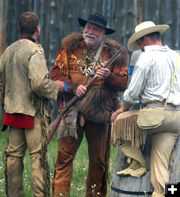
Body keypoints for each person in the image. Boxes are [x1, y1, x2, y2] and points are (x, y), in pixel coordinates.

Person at [50, 13, 129, 197]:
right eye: (88, 27)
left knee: (99, 162)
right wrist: (74, 87)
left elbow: (123, 83)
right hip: (71, 112)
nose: (90, 31)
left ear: (103, 33)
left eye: (95, 28)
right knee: (63, 160)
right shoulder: (68, 48)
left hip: (100, 114)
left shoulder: (114, 53)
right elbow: (55, 76)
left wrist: (109, 77)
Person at [111, 21, 180, 197]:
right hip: (176, 118)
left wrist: (122, 110)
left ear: (146, 39)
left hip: (155, 117)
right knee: (160, 163)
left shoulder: (146, 57)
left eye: (140, 44)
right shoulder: (175, 56)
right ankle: (160, 193)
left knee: (118, 123)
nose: (140, 48)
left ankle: (138, 163)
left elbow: (132, 94)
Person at [0, 11, 65, 197]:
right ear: (37, 28)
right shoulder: (35, 51)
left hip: (12, 112)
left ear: (21, 29)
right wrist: (57, 87)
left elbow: (1, 82)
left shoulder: (8, 51)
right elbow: (39, 84)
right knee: (37, 157)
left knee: (13, 158)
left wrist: (5, 103)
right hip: (33, 113)